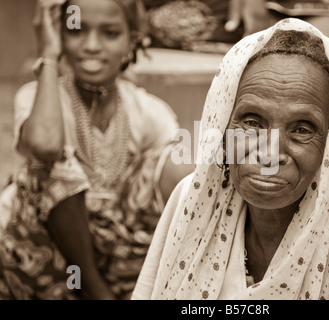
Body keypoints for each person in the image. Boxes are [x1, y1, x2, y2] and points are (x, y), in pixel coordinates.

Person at [131, 18, 329, 300]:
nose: (269, 154)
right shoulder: (193, 200)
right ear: (222, 125)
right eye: (252, 123)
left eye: (302, 129)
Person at [0, 0, 191, 300]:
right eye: (76, 31)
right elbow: (45, 144)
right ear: (61, 37)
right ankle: (94, 292)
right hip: (46, 258)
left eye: (110, 33)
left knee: (179, 165)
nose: (91, 45)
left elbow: (180, 187)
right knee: (52, 163)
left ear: (131, 43)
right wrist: (47, 55)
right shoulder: (39, 97)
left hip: (119, 259)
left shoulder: (149, 111)